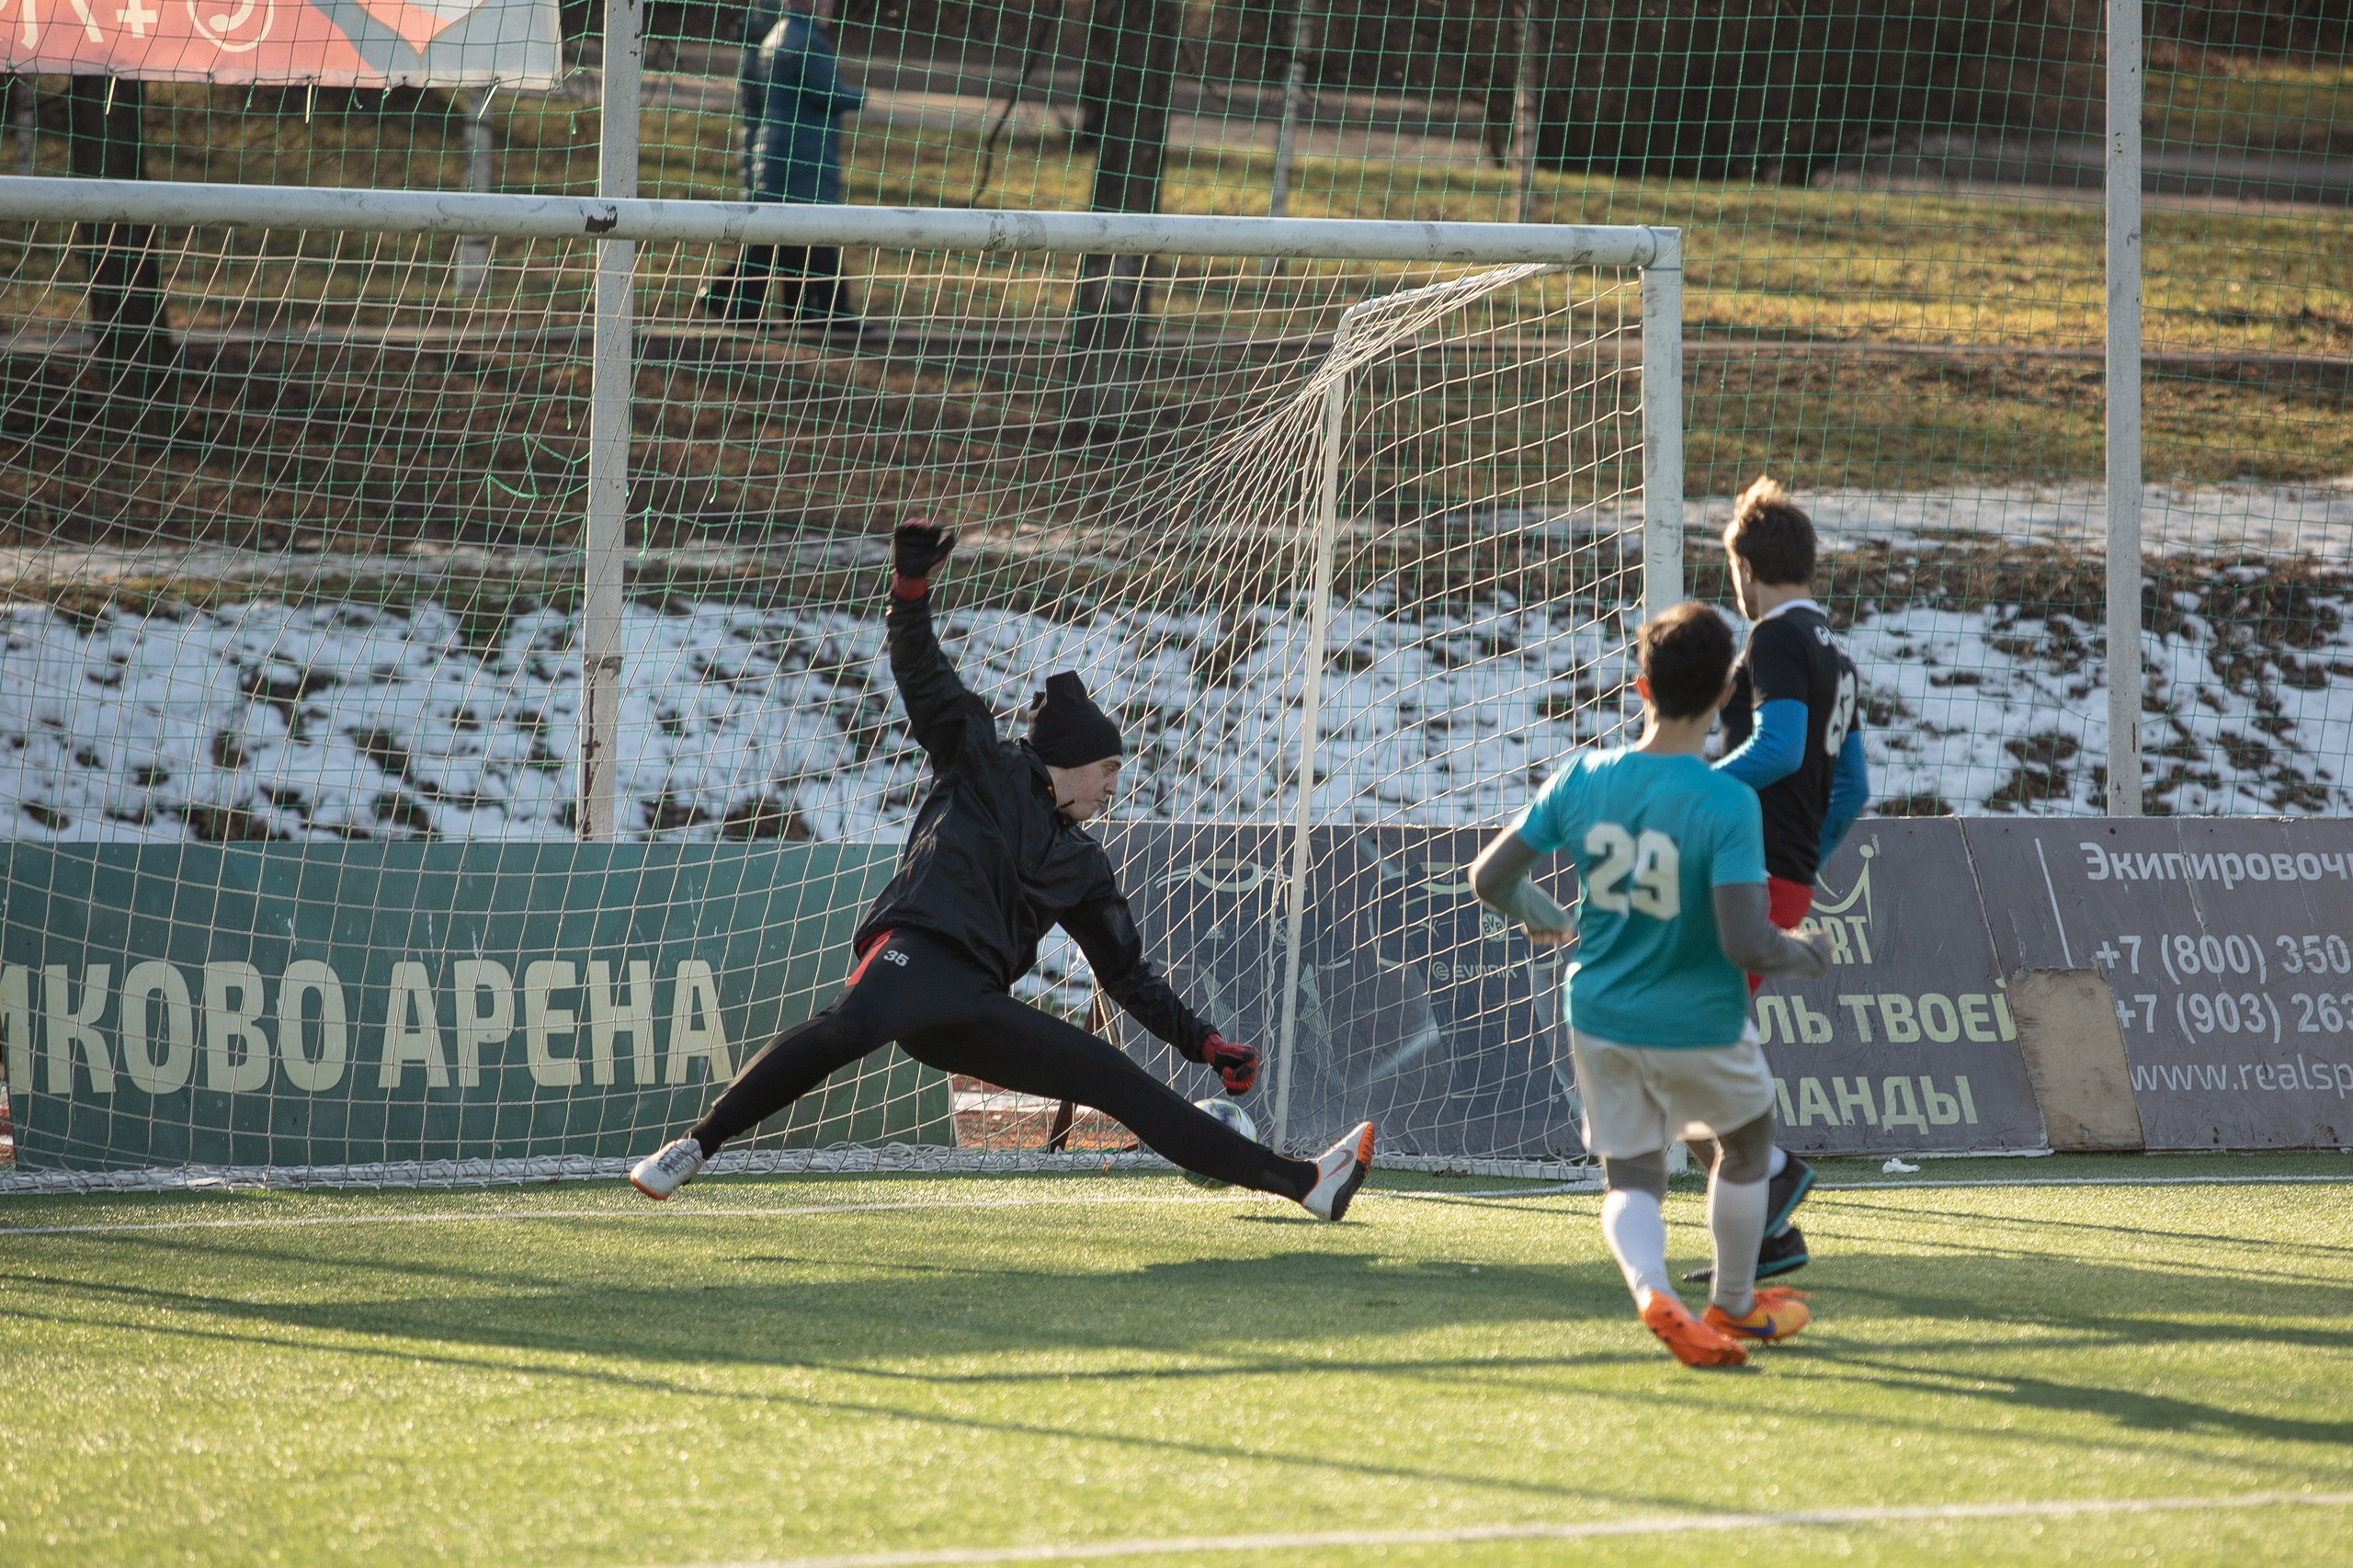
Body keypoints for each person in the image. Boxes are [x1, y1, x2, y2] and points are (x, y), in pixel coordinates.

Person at [630, 520, 1378, 1221]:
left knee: (1116, 1083)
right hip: (913, 955)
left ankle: (1307, 1184)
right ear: (1076, 760)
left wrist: (1205, 1045)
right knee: (846, 1026)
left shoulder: (1083, 864)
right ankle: (696, 1145)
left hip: (971, 1004)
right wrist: (910, 589)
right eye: (1110, 767)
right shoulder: (981, 761)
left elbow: (1128, 978)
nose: (1117, 784)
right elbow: (921, 673)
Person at [1469, 602, 1829, 1367]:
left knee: (1631, 1175)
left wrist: (1551, 917)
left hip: (1597, 1009)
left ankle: (1650, 1290)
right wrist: (1804, 953)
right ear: (1730, 691)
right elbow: (1742, 939)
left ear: (1640, 688)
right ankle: (1732, 1304)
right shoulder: (1728, 801)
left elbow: (1491, 876)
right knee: (1748, 1142)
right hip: (1699, 1015)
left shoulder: (1583, 776)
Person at [1686, 475, 1872, 1286]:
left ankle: (1773, 1175)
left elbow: (1783, 747)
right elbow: (1854, 788)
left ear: (1748, 571)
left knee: (1673, 1045)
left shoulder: (1771, 640)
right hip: (1781, 875)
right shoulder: (1837, 653)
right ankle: (1766, 1237)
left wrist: (1695, 786)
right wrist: (1804, 860)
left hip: (1749, 875)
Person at [699, 0, 866, 327]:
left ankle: (770, 308)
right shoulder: (808, 40)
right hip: (803, 155)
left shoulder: (778, 36)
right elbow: (825, 94)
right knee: (815, 233)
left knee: (778, 237)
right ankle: (828, 313)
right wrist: (858, 96)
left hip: (777, 151)